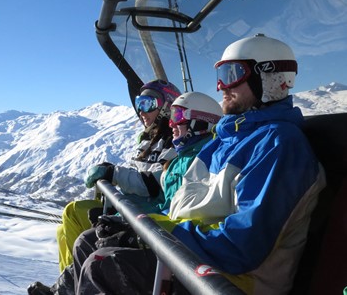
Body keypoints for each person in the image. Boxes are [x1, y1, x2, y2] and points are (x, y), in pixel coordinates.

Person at [74, 34, 326, 294]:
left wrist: (158, 235)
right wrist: (142, 229)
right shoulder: (225, 140)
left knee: (104, 265)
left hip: (235, 278)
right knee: (89, 241)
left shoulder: (279, 144)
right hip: (193, 255)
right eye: (220, 75)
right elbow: (183, 206)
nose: (221, 86)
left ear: (270, 78)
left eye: (232, 74)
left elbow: (242, 247)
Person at [28, 91, 224, 295]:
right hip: (162, 228)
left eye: (178, 117)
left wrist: (133, 224)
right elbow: (162, 200)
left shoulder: (203, 160)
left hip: (176, 245)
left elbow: (183, 210)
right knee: (86, 240)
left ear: (201, 123)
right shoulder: (178, 159)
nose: (171, 124)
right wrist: (121, 214)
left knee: (100, 259)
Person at [55, 79, 181, 272]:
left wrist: (113, 173)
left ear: (167, 106)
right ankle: (68, 279)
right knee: (63, 229)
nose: (141, 110)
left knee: (73, 212)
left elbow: (153, 182)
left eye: (148, 103)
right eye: (139, 103)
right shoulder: (147, 140)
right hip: (129, 204)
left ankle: (72, 282)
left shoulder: (174, 141)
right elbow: (138, 172)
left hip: (145, 211)